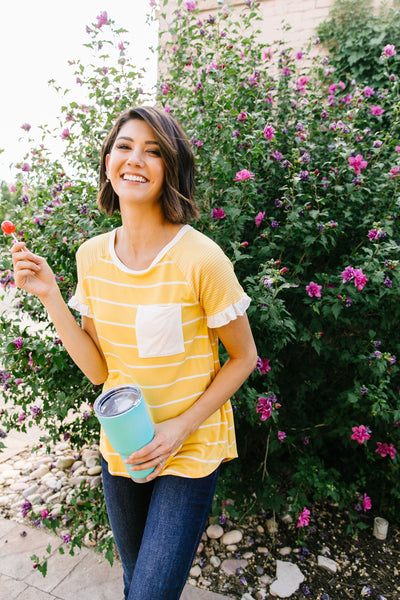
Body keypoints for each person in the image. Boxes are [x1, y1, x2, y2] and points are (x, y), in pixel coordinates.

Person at [11, 105, 258, 600]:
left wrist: (179, 428)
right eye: (124, 146)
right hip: (124, 444)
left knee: (149, 593)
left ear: (170, 166)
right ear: (108, 163)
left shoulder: (201, 258)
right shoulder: (91, 256)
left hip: (189, 446)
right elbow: (99, 369)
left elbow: (243, 357)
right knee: (135, 583)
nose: (135, 160)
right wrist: (51, 297)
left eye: (152, 151)